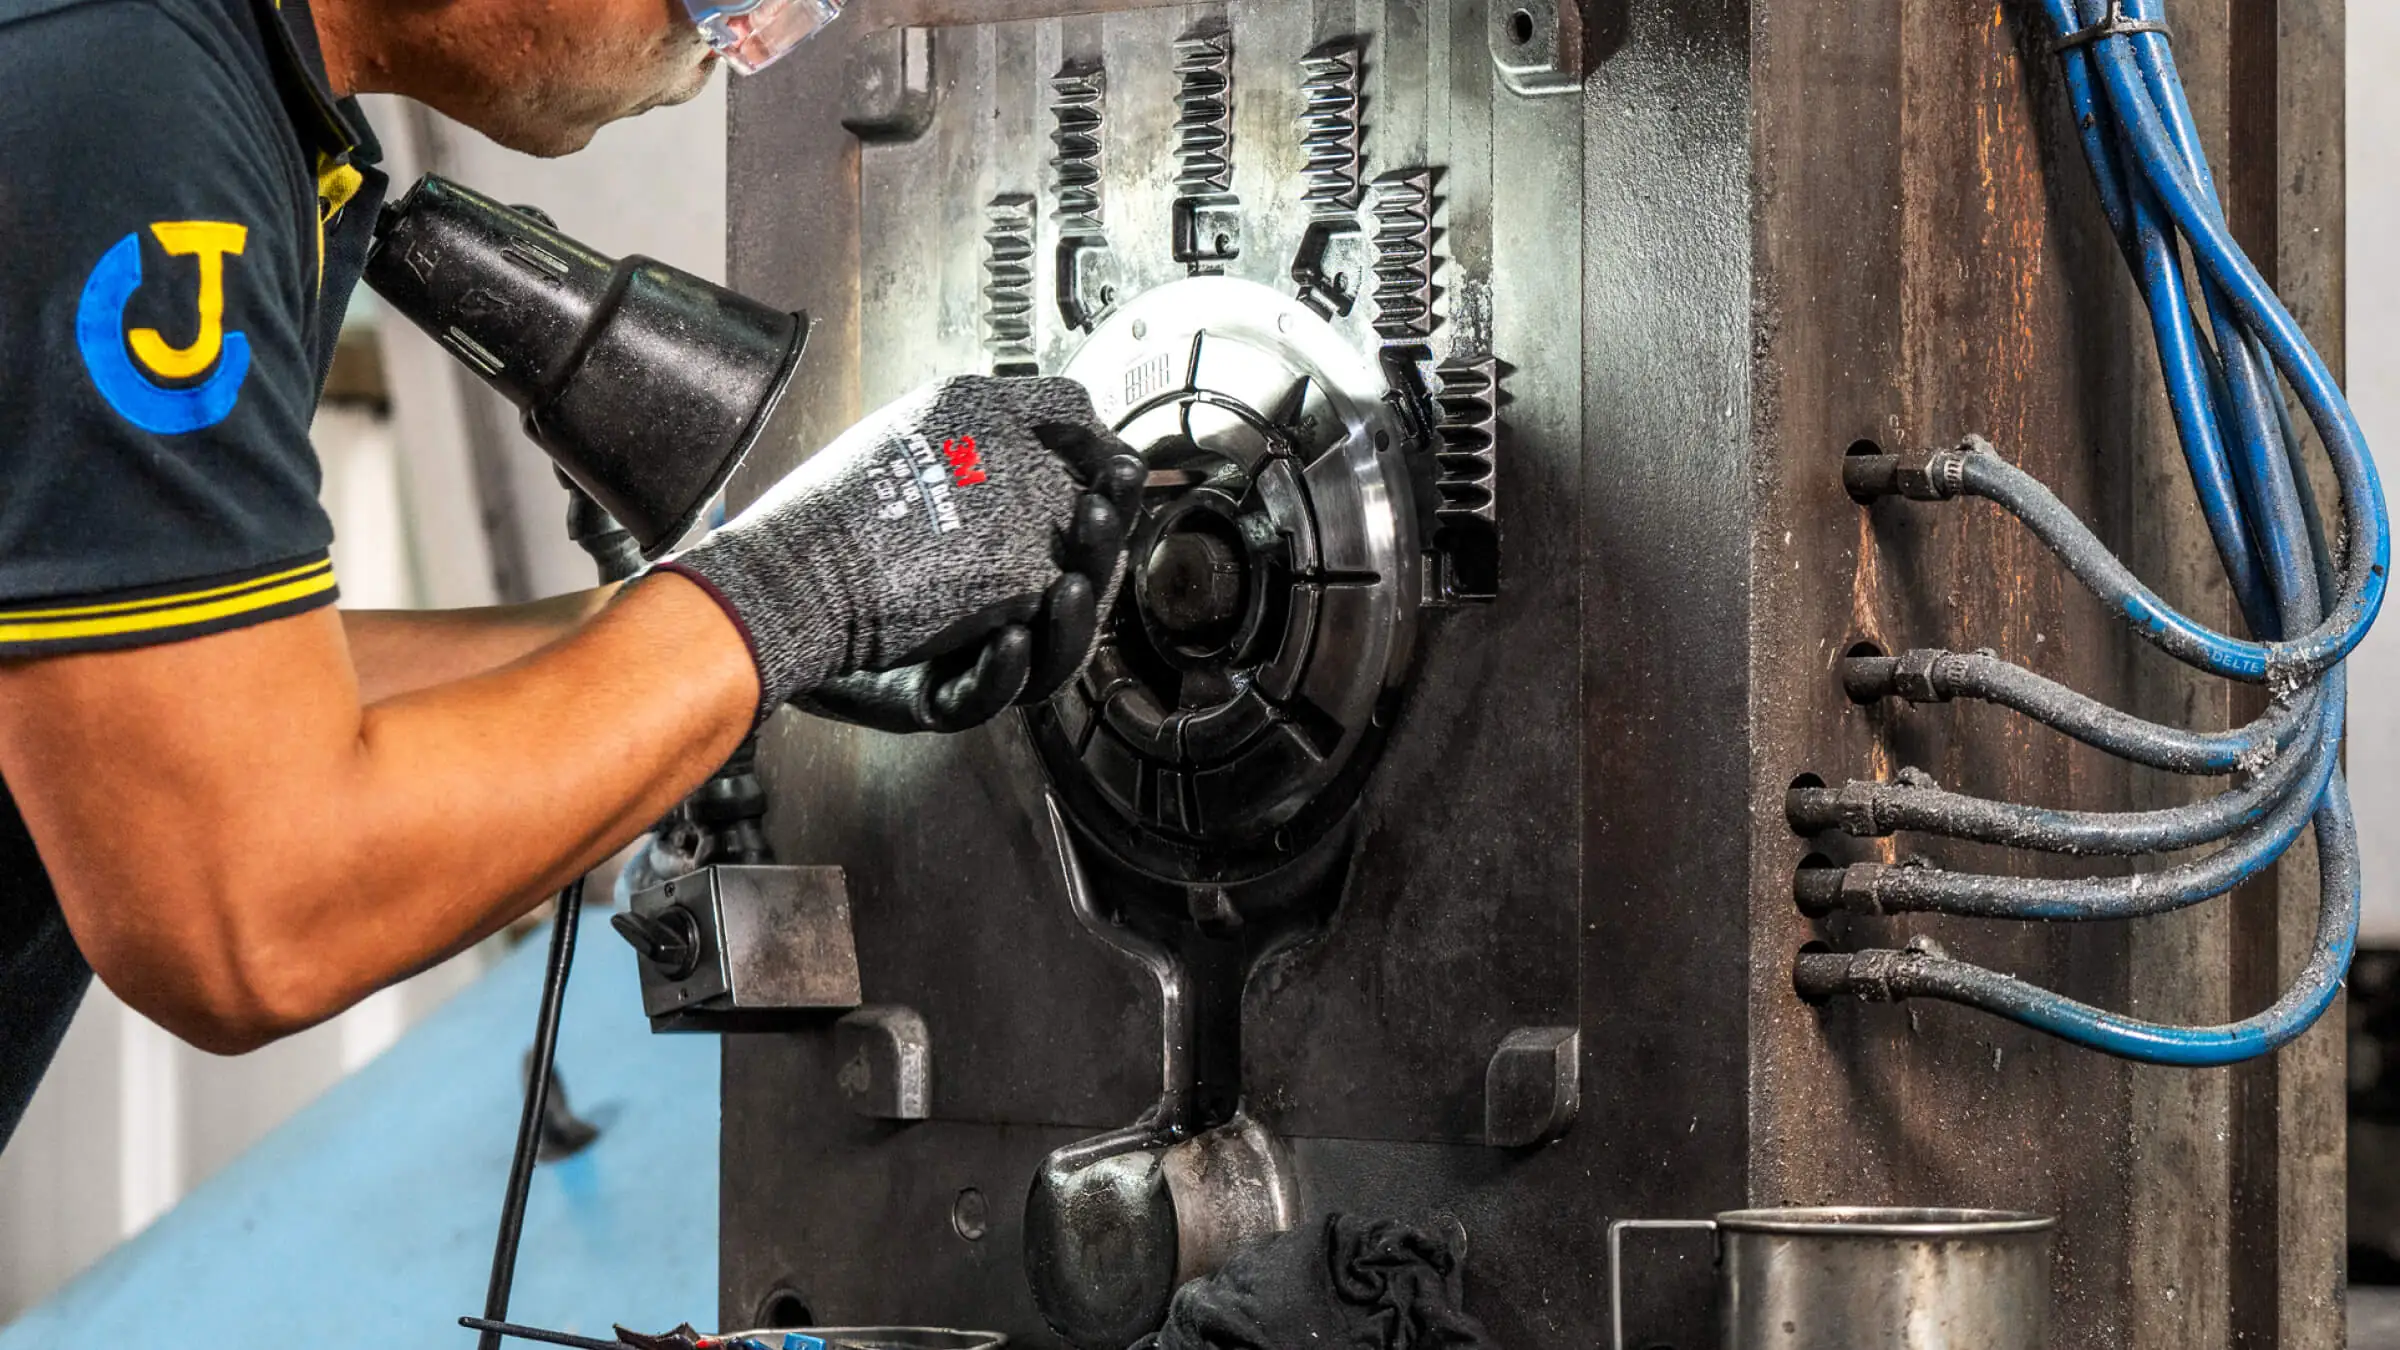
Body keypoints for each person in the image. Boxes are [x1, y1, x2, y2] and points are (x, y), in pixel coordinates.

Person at [0, 0, 1141, 1148]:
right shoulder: (124, 104)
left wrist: (695, 644)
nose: (729, 47)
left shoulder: (218, 86)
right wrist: (802, 590)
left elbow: (176, 700)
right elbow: (250, 917)